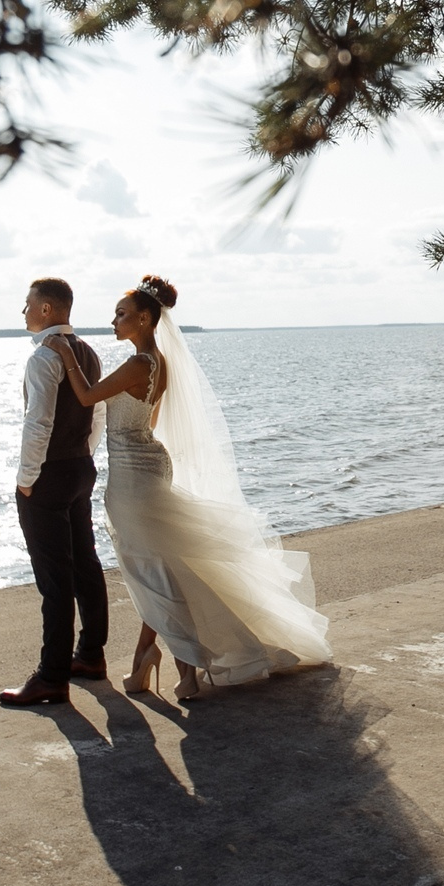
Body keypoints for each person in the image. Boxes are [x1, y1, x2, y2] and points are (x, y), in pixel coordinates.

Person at [48, 274, 331, 700]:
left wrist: (64, 351)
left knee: (155, 572)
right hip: (143, 466)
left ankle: (188, 669)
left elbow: (87, 397)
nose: (113, 320)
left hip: (133, 479)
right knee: (159, 567)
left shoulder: (139, 364)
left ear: (144, 319)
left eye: (121, 314)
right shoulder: (157, 363)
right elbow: (149, 420)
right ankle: (147, 657)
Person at [0, 277, 110, 709]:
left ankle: (52, 678)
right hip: (80, 468)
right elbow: (97, 410)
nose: (23, 311)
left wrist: (27, 478)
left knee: (55, 580)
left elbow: (38, 422)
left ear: (47, 309)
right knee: (85, 563)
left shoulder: (45, 356)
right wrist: (85, 455)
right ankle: (91, 655)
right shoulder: (90, 353)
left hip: (49, 475)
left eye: (28, 304)